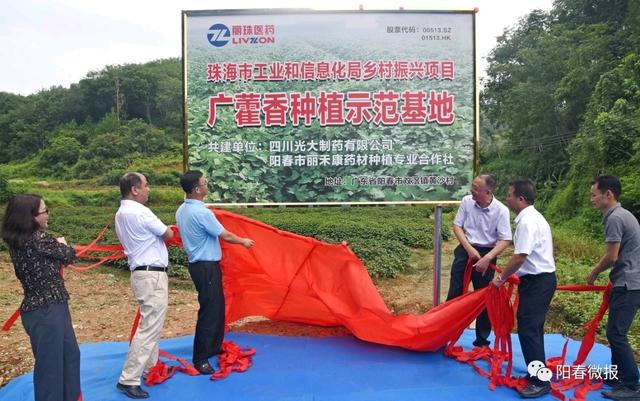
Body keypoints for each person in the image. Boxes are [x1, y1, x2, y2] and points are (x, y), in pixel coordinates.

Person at [1, 194, 81, 401]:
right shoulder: (39, 239)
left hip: (45, 309)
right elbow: (70, 255)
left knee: (68, 357)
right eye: (44, 211)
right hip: (47, 311)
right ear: (31, 216)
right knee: (52, 369)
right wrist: (63, 244)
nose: (47, 215)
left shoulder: (18, 239)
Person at [175, 170, 254, 374]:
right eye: (204, 183)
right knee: (209, 313)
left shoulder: (182, 210)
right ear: (197, 189)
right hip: (205, 267)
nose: (207, 185)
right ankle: (200, 358)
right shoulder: (201, 213)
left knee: (216, 309)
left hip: (200, 267)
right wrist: (244, 241)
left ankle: (213, 347)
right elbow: (225, 235)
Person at [492, 178, 556, 398]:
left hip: (538, 282)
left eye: (509, 194)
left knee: (529, 330)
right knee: (533, 330)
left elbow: (520, 257)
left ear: (520, 198)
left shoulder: (528, 222)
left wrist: (501, 277)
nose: (507, 198)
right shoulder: (533, 218)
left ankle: (539, 381)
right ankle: (537, 373)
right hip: (539, 281)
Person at [114, 172, 174, 399]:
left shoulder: (121, 213)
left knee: (152, 324)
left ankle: (151, 367)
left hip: (141, 274)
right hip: (152, 275)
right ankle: (128, 379)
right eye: (146, 186)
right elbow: (167, 233)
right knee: (149, 328)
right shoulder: (141, 212)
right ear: (135, 189)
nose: (149, 189)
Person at [587, 175, 640, 400]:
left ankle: (631, 386)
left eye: (594, 195)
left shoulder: (615, 218)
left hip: (629, 283)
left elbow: (612, 256)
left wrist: (594, 272)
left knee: (616, 333)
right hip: (630, 280)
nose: (592, 199)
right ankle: (618, 375)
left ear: (608, 194)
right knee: (615, 332)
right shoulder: (622, 214)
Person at [446, 174, 512, 347]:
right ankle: (445, 335)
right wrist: (469, 249)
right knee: (455, 293)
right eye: (472, 186)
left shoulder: (501, 210)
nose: (472, 190)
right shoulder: (467, 201)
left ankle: (482, 340)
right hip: (465, 249)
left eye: (476, 188)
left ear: (487, 191)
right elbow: (457, 226)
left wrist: (487, 258)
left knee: (484, 297)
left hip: (487, 255)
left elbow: (505, 239)